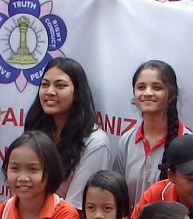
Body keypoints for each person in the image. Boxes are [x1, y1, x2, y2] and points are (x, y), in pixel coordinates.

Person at [24, 58, 121, 208]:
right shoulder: (33, 132)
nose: (50, 91)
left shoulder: (95, 142)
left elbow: (74, 209)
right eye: (44, 85)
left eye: (60, 85)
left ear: (76, 93)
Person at [118, 60, 184, 195]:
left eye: (157, 87)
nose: (147, 93)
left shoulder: (187, 142)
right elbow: (117, 193)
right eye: (141, 87)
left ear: (172, 95)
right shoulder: (126, 141)